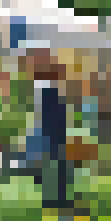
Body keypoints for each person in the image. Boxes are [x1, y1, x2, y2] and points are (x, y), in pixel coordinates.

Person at [26, 51, 70, 211]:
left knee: (54, 170)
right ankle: (56, 204)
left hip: (51, 137)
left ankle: (55, 203)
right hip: (50, 137)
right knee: (53, 170)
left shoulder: (48, 90)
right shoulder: (47, 90)